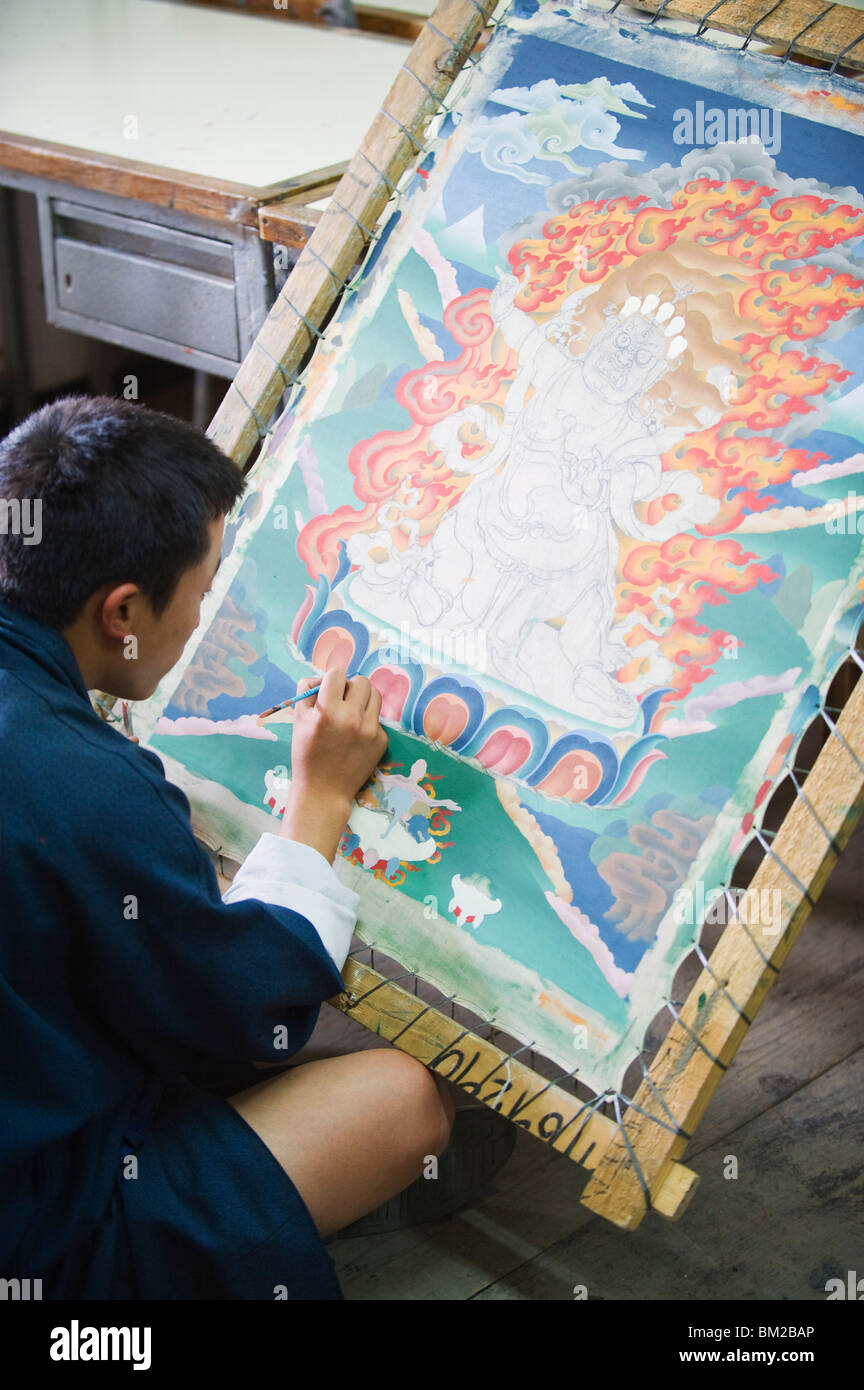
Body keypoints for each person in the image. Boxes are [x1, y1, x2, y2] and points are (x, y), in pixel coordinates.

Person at [0, 395, 473, 1301]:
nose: (208, 613)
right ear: (123, 610)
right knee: (403, 1100)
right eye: (207, 588)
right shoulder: (82, 782)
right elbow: (247, 1010)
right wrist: (323, 796)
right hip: (34, 1234)